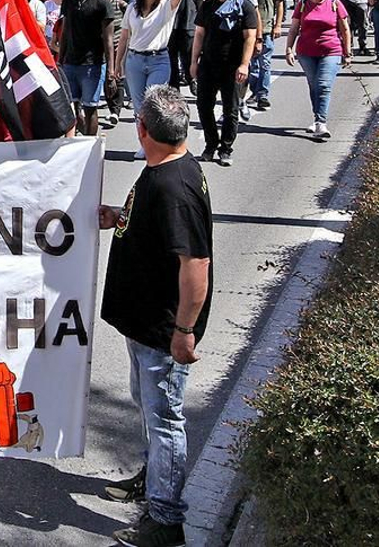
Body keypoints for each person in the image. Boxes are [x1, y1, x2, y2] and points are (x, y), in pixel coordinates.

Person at [97, 86, 212, 547]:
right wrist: (115, 217)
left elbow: (195, 265)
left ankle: (165, 521)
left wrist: (184, 332)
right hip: (145, 324)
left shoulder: (173, 187)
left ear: (142, 129)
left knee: (164, 419)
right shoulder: (164, 169)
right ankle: (153, 481)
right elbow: (151, 231)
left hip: (164, 330)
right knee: (149, 410)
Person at [190, 0, 258, 166]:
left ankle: (226, 148)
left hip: (233, 67)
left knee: (231, 110)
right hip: (209, 65)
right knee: (203, 106)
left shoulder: (244, 6)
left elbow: (250, 37)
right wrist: (194, 61)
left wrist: (244, 64)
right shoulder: (208, 6)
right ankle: (211, 145)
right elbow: (199, 34)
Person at [116, 0, 185, 160]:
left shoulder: (166, 6)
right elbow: (124, 38)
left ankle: (158, 145)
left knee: (153, 103)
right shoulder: (132, 8)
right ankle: (144, 145)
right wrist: (118, 64)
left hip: (159, 59)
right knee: (139, 107)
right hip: (134, 60)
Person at [286, 0, 352, 140]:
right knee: (314, 85)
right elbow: (294, 28)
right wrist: (288, 48)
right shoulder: (302, 4)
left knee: (323, 85)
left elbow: (345, 29)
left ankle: (320, 122)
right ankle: (317, 118)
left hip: (331, 50)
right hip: (306, 52)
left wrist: (348, 51)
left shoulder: (334, 4)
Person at [55, 0, 112, 137]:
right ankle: (76, 143)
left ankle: (90, 145)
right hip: (70, 63)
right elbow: (64, 32)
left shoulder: (102, 2)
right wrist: (59, 60)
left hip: (92, 65)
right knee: (71, 108)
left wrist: (111, 72)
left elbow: (108, 39)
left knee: (90, 108)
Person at [159, 0, 207, 94]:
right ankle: (174, 89)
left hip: (189, 23)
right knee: (171, 58)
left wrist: (202, 20)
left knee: (188, 55)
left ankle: (192, 79)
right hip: (170, 24)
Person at [246, 0, 285, 112]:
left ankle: (263, 94)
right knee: (252, 65)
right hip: (250, 31)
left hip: (267, 31)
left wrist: (278, 25)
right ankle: (255, 92)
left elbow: (280, 5)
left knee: (265, 64)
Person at [97, 0, 129, 128]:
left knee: (118, 77)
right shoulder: (96, 5)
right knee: (106, 79)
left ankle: (115, 111)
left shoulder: (121, 5)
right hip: (100, 49)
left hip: (118, 46)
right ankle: (110, 106)